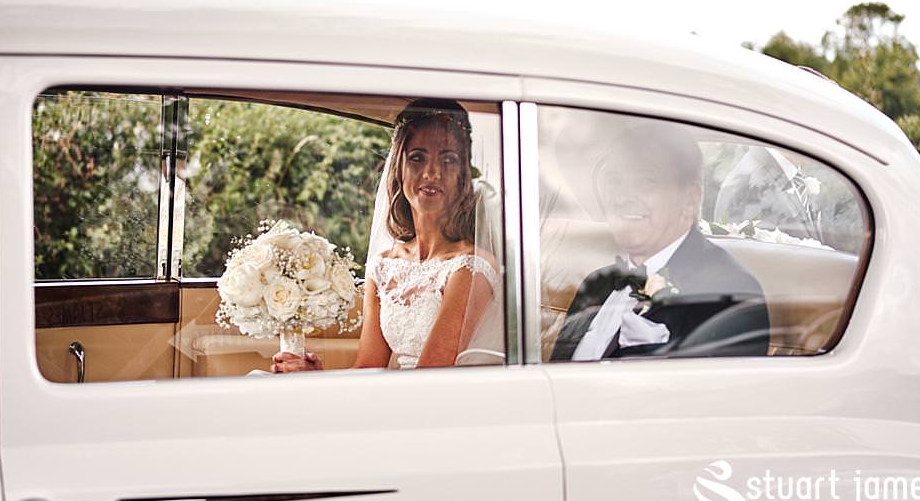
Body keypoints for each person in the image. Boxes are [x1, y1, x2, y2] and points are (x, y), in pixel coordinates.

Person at [272, 98, 500, 373]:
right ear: (399, 168)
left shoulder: (470, 268)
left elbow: (428, 378)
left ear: (463, 176)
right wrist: (316, 377)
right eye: (417, 157)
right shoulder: (384, 265)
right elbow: (368, 367)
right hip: (391, 395)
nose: (432, 172)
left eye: (448, 159)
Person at [550, 124, 770, 361]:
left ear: (689, 200)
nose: (622, 197)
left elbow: (713, 395)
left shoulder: (728, 294)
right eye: (614, 181)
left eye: (646, 182)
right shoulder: (596, 283)